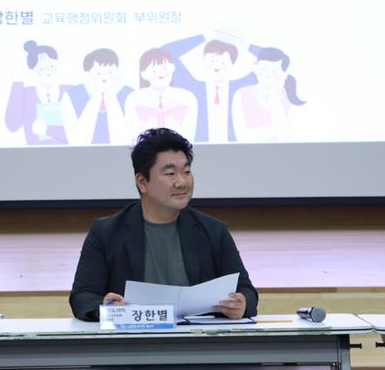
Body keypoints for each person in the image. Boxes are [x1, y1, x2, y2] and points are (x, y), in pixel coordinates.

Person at [69, 127, 258, 321]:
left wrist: (241, 303)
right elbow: (82, 297)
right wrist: (105, 306)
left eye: (186, 171)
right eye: (170, 173)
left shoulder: (214, 231)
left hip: (198, 336)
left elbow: (246, 291)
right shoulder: (106, 232)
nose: (182, 182)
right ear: (142, 182)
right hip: (134, 335)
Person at [4, 40, 77, 145]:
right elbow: (12, 125)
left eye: (51, 66)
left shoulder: (71, 91)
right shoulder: (25, 95)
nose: (48, 71)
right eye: (41, 68)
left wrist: (48, 130)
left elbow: (79, 131)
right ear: (32, 71)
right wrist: (17, 82)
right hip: (34, 154)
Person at [231, 47, 305, 143]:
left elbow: (288, 137)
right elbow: (242, 138)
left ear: (283, 74)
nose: (267, 73)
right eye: (264, 68)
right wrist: (273, 131)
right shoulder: (241, 94)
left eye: (274, 70)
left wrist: (274, 96)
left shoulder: (289, 96)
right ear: (255, 67)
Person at [124, 48, 198, 142]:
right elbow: (133, 134)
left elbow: (189, 133)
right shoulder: (134, 99)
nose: (161, 73)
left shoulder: (187, 97)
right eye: (154, 70)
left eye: (165, 68)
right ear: (144, 74)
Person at [68, 48, 133, 145]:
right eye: (98, 73)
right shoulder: (73, 95)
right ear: (87, 74)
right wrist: (96, 96)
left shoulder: (129, 94)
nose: (105, 77)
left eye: (110, 72)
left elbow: (125, 140)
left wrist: (111, 95)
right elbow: (77, 141)